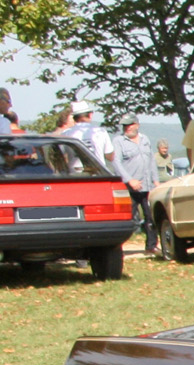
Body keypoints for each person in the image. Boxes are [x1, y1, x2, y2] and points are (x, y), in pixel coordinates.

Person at [114, 115, 158, 253]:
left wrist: (156, 180)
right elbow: (116, 163)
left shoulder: (145, 139)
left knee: (150, 217)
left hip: (147, 186)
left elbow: (151, 161)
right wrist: (129, 180)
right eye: (124, 125)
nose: (127, 128)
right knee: (126, 218)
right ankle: (117, 248)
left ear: (137, 124)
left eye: (129, 124)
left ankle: (151, 246)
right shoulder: (118, 141)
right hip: (129, 189)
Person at [61, 100, 118, 170]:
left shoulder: (66, 134)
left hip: (75, 176)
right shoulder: (100, 131)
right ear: (90, 115)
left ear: (74, 118)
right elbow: (110, 157)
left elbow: (60, 156)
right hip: (99, 175)